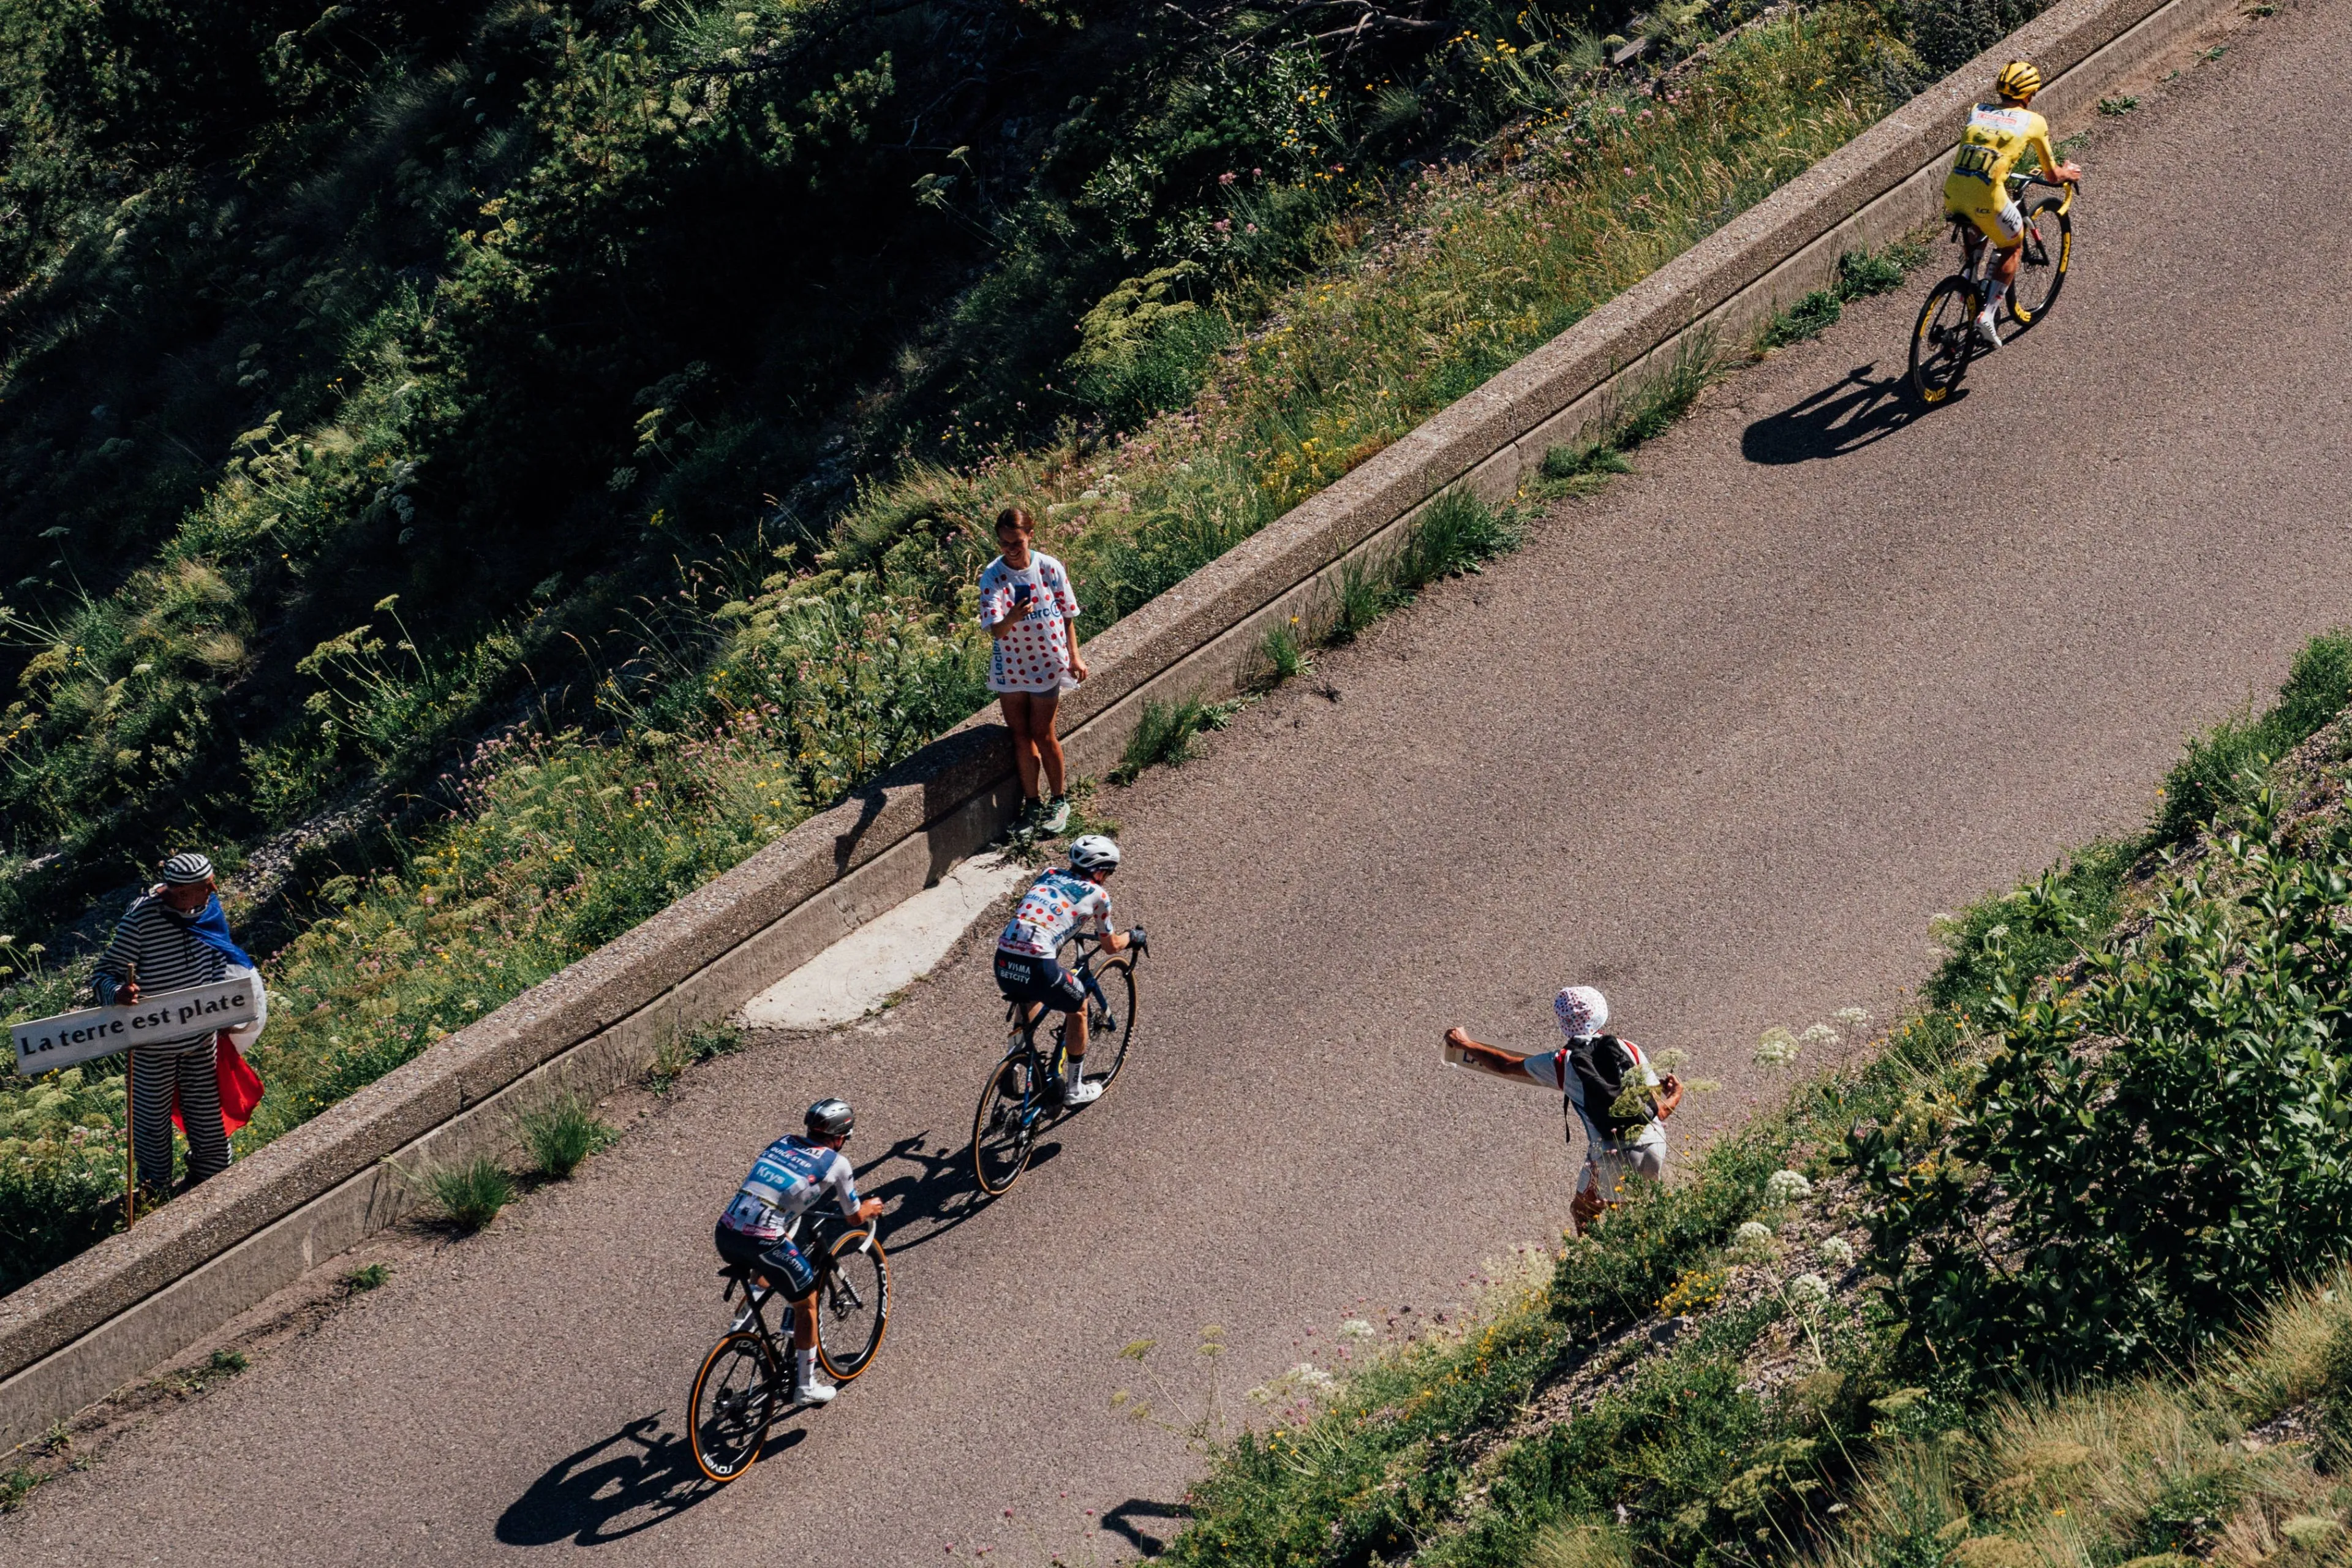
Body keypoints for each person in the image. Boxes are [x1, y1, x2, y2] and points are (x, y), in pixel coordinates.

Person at [1443, 985, 1684, 1235]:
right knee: (1637, 1218)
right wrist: (1676, 1094)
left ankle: (1593, 1257)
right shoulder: (1630, 1049)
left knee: (1591, 1216)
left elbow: (1505, 1064)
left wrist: (1464, 1043)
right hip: (1655, 1145)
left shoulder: (1561, 1063)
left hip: (1612, 1154)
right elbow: (1658, 1112)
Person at [92, 853, 258, 1193]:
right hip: (152, 1045)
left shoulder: (207, 910)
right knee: (151, 1121)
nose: (213, 891)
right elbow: (103, 975)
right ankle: (156, 1189)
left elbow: (220, 957)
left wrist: (222, 1009)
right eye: (206, 886)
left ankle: (211, 1177)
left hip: (201, 1039)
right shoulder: (140, 920)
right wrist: (117, 993)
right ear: (182, 892)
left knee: (207, 1113)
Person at [713, 1098, 886, 1406]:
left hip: (726, 1231)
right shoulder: (837, 1163)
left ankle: (742, 1328)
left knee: (769, 1263)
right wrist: (870, 1207)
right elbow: (853, 1217)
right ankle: (805, 1387)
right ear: (840, 1137)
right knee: (807, 1303)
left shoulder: (783, 1142)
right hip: (764, 1239)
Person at [1942, 59, 2082, 349]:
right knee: (2012, 245)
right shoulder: (2034, 121)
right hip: (1988, 196)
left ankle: (1969, 278)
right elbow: (2052, 175)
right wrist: (2069, 173)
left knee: (1978, 223)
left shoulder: (1978, 109)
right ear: (2029, 94)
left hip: (1953, 191)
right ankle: (1988, 315)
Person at [993, 834, 1136, 1107]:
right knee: (1078, 1007)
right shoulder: (1099, 895)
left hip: (1003, 958)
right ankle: (1074, 1089)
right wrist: (1133, 937)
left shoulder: (1048, 874)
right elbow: (1111, 946)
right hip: (1039, 964)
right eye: (1109, 873)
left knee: (1029, 995)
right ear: (1100, 871)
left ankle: (1015, 1060)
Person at [978, 506, 1087, 838]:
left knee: (1044, 733)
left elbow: (1068, 614)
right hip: (1011, 667)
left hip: (1046, 662)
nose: (1011, 549)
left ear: (1030, 536)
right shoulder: (993, 575)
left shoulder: (1050, 567)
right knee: (1021, 736)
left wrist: (1075, 657)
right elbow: (995, 630)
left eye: (1017, 542)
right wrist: (1013, 616)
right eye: (1004, 543)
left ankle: (1059, 800)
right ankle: (1033, 803)